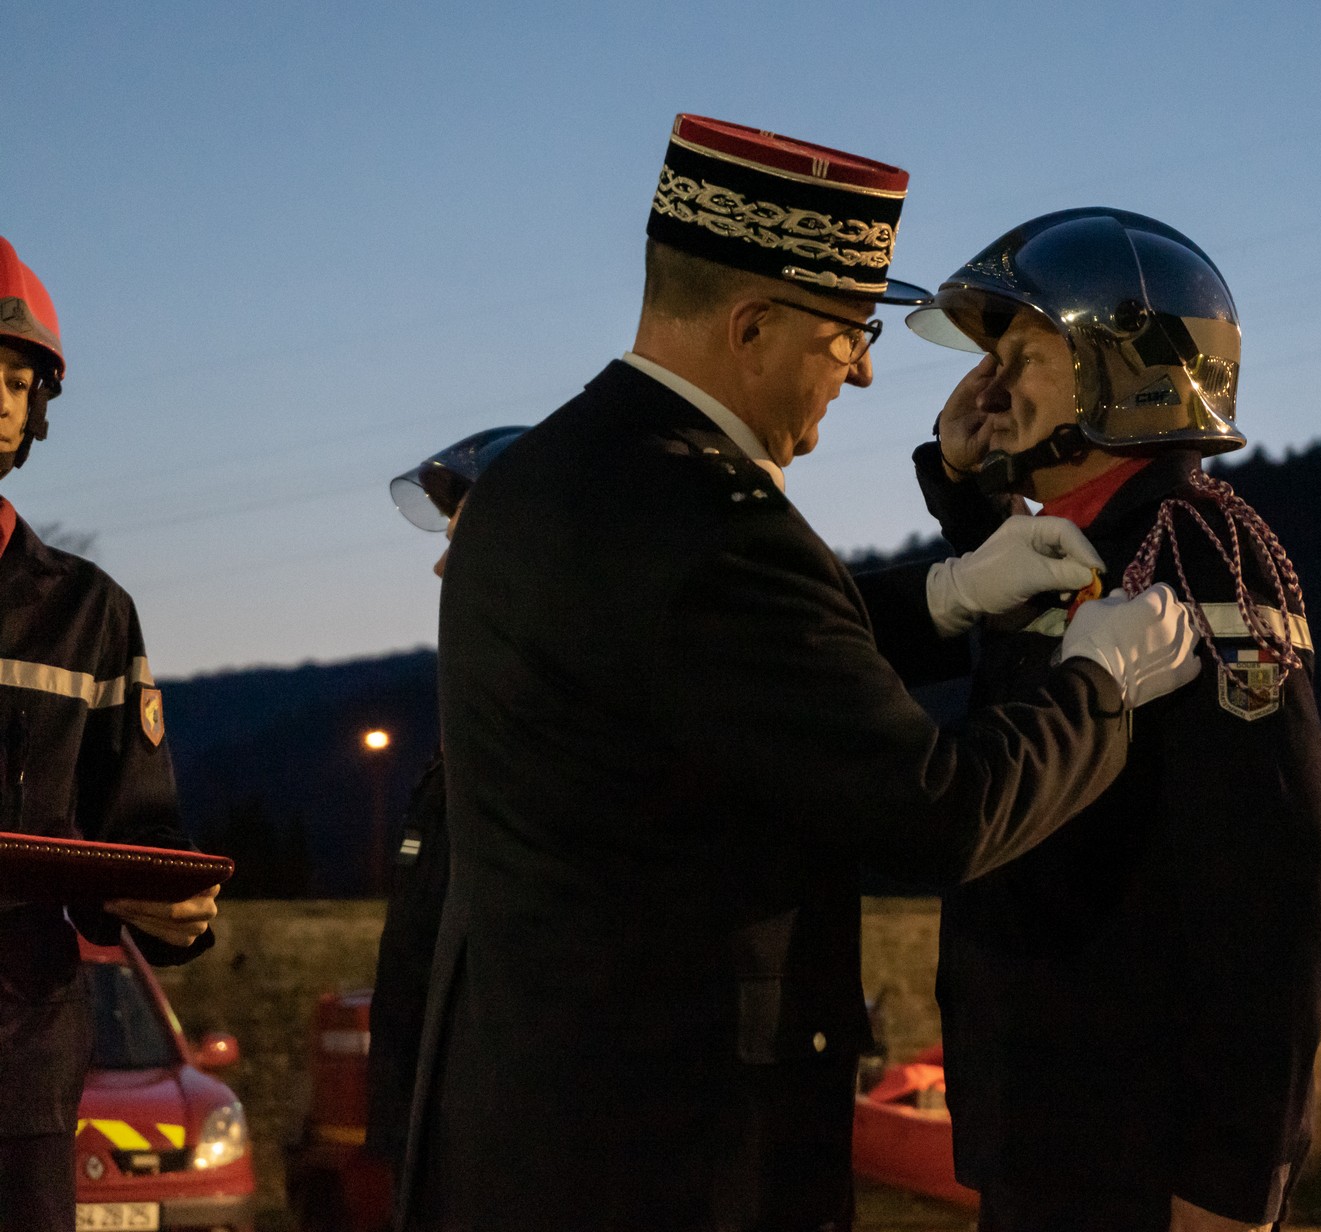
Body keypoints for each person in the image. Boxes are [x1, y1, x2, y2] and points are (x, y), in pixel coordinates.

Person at [401, 117, 1202, 1232]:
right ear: (753, 325)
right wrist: (1098, 686)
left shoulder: (546, 476)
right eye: (847, 334)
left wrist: (947, 594)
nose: (864, 370)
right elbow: (940, 809)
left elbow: (718, 670)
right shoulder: (714, 526)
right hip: (674, 1157)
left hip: (531, 1123)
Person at [904, 209, 1321, 1232]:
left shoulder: (1197, 549)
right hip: (1049, 1135)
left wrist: (1233, 1178)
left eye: (1025, 352)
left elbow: (1279, 881)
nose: (990, 385)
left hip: (1134, 1159)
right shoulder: (1093, 538)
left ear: (1126, 371)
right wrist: (966, 493)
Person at [0, 236, 219, 1232]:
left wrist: (172, 907)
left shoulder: (89, 613)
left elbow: (136, 831)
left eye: (20, 379)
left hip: (18, 1070)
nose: (3, 397)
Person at [362, 427, 526, 1178]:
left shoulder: (554, 743)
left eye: (463, 541)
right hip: (439, 1149)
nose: (439, 566)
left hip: (503, 1156)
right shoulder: (463, 743)